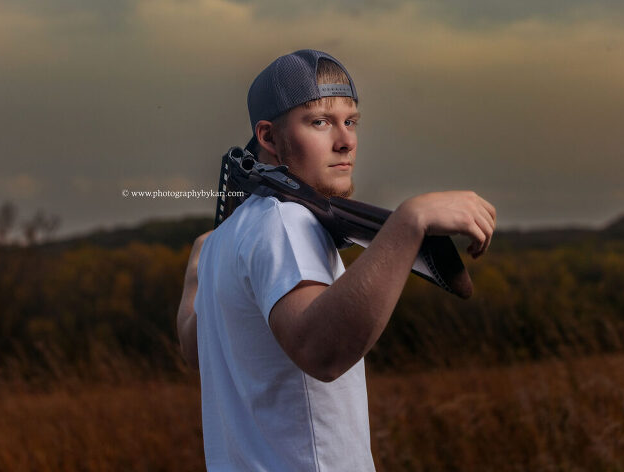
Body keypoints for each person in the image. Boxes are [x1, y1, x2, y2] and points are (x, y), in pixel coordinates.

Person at [176, 49, 496, 470]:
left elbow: (194, 349)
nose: (346, 141)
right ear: (268, 138)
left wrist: (196, 277)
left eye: (351, 121)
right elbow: (320, 351)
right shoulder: (285, 221)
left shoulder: (224, 240)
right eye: (320, 122)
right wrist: (409, 221)